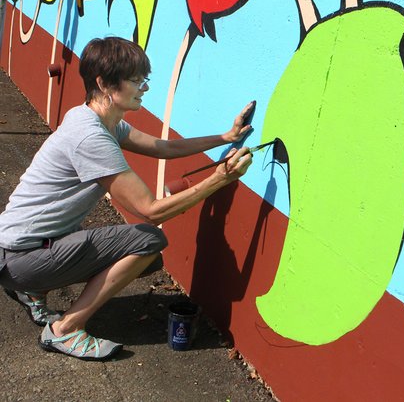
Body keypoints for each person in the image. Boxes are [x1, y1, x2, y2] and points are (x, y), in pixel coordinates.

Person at [0, 37, 253, 360]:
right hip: (20, 257)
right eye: (136, 80)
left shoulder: (96, 119)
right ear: (105, 84)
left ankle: (33, 289)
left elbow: (164, 148)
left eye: (143, 78)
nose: (144, 87)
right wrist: (222, 179)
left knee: (144, 251)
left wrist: (225, 137)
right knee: (147, 241)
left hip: (20, 249)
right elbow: (150, 210)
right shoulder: (91, 136)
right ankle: (64, 330)